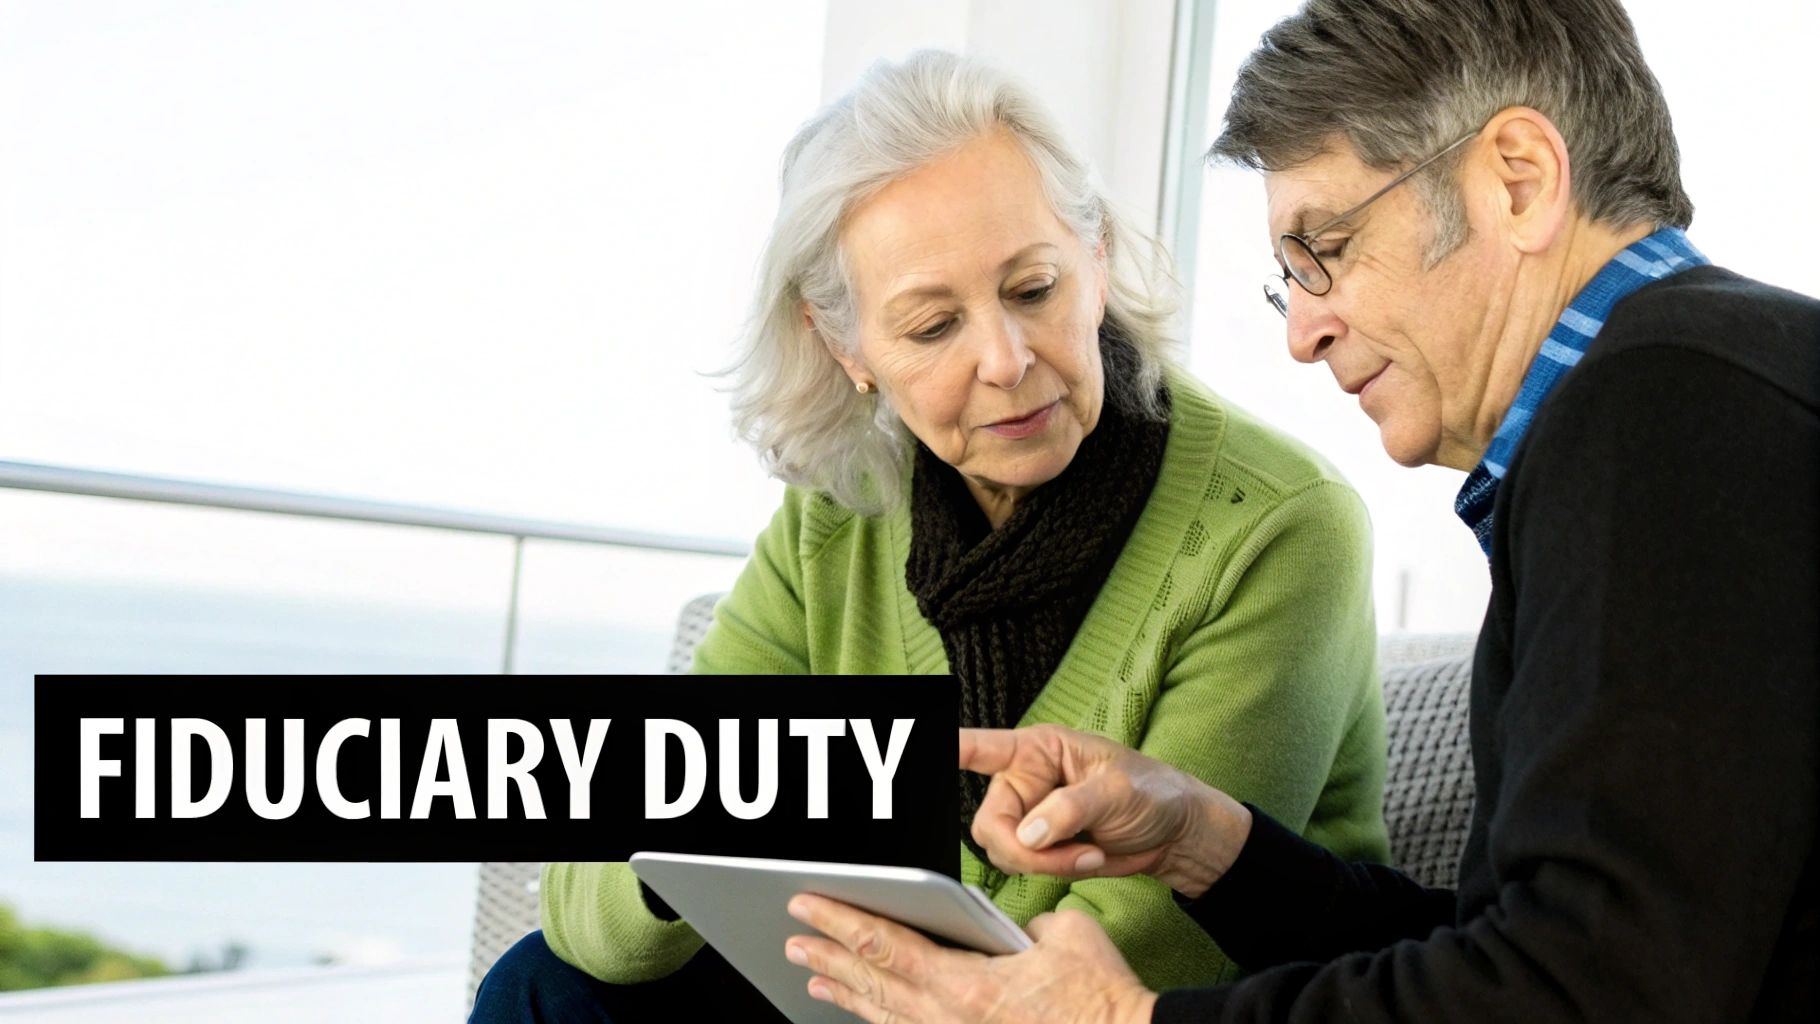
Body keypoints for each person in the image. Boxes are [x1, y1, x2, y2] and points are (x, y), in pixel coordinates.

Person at [776, 1, 1820, 1021]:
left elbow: (1591, 990)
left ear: (1517, 180)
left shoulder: (1665, 406)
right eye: (1290, 278)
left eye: (1325, 246)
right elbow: (1513, 951)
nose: (1303, 332)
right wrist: (1201, 843)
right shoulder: (1681, 399)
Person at [471, 49, 1391, 1021]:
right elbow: (589, 895)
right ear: (843, 345)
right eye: (930, 325)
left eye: (1033, 290)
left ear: (1096, 260)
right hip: (871, 997)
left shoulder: (1280, 524)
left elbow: (1149, 945)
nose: (1004, 360)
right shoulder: (840, 516)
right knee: (541, 985)